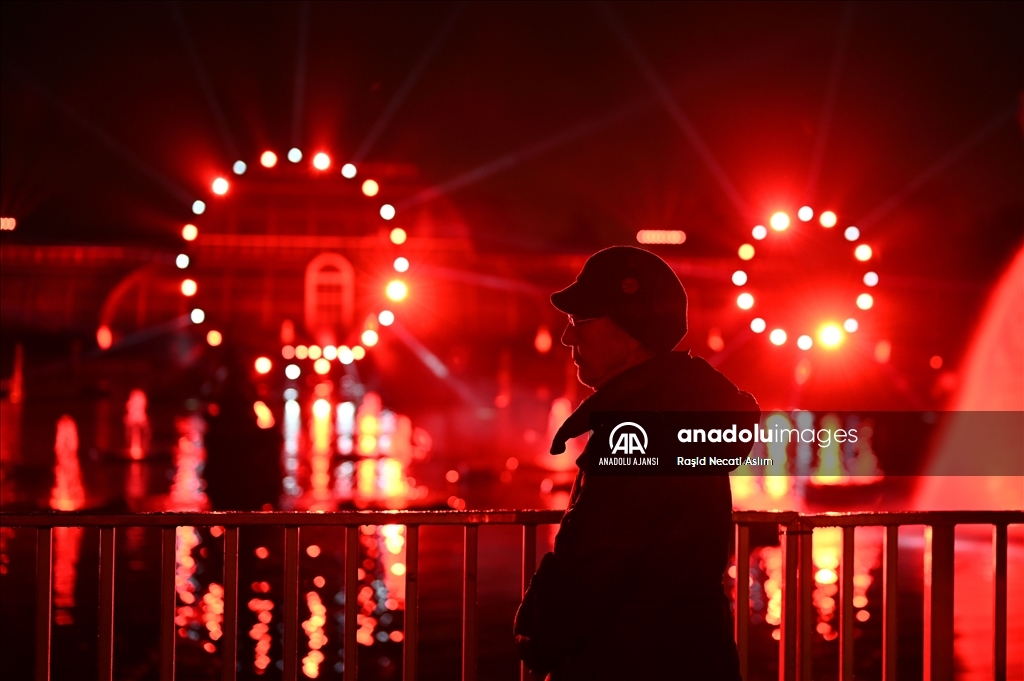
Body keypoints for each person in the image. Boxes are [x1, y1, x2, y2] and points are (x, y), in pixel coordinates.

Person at [515, 246, 759, 680]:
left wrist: (538, 631)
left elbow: (598, 559)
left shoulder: (640, 428)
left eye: (582, 322)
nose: (569, 338)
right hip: (693, 654)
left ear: (631, 332)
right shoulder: (683, 410)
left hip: (629, 659)